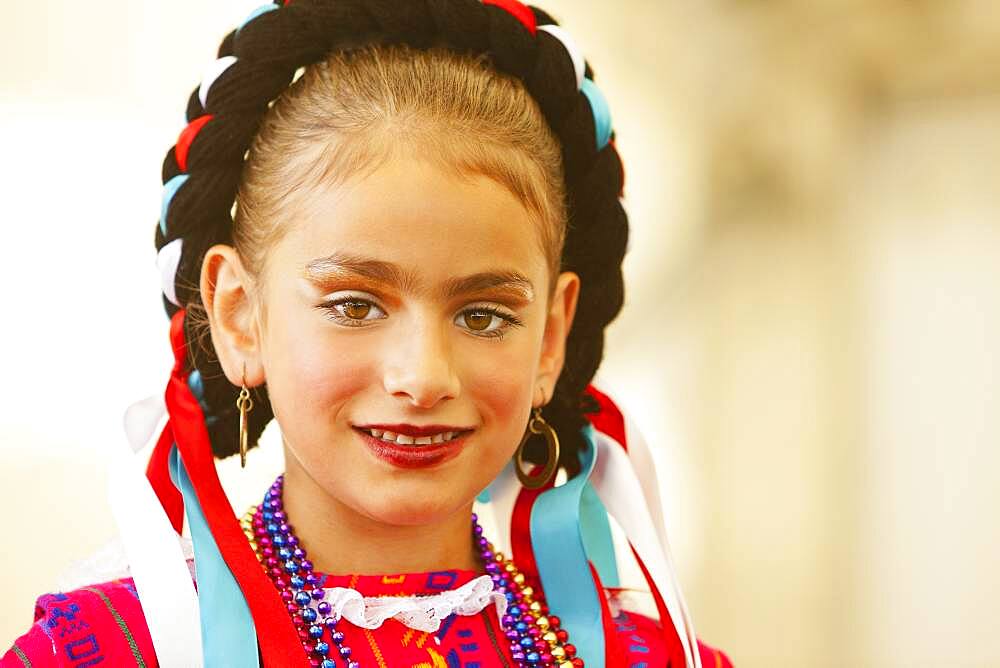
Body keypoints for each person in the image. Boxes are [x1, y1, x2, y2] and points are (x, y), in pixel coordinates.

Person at [3, 1, 733, 666]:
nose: (422, 377)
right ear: (238, 314)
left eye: (483, 316)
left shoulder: (648, 657)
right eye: (355, 305)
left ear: (550, 338)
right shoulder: (114, 650)